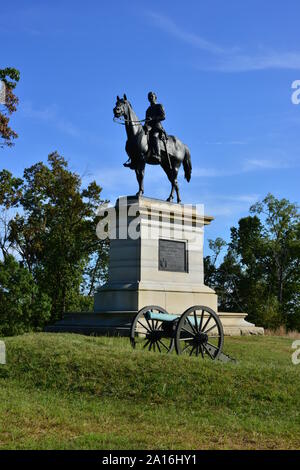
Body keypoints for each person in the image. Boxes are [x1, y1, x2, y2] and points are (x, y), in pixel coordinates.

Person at [123, 91, 167, 168]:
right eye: (149, 97)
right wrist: (145, 125)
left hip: (157, 127)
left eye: (152, 96)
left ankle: (157, 154)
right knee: (139, 137)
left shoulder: (159, 106)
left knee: (153, 136)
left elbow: (163, 116)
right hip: (149, 127)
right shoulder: (148, 110)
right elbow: (147, 121)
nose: (150, 98)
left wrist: (152, 118)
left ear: (155, 97)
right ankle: (133, 158)